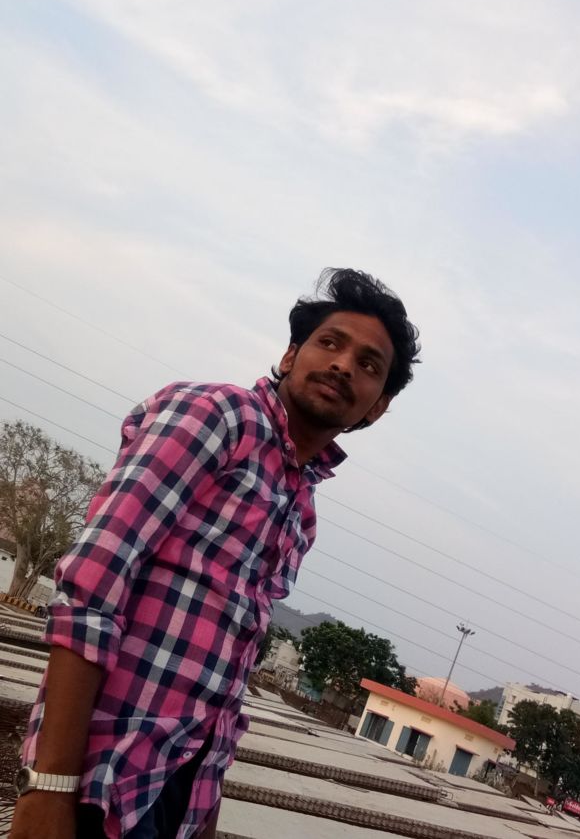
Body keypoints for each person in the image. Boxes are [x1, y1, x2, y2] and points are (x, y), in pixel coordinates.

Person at [10, 268, 420, 839]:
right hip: (103, 777)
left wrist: (203, 810)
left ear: (377, 407)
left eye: (369, 365)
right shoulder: (219, 417)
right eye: (330, 343)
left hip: (176, 793)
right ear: (290, 355)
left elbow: (226, 674)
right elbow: (93, 584)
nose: (344, 365)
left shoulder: (300, 508)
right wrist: (49, 785)